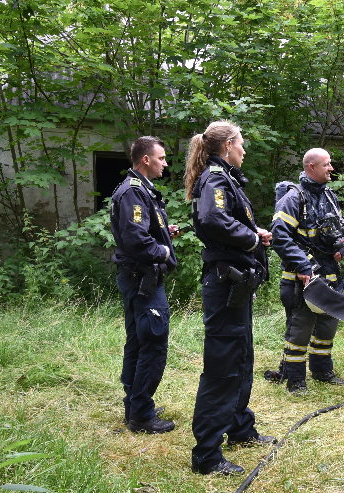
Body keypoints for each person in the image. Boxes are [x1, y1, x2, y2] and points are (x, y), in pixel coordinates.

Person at [185, 121, 276, 476]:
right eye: (241, 144)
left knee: (240, 357)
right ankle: (207, 455)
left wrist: (252, 232)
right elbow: (211, 218)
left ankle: (239, 428)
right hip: (225, 285)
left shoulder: (225, 177)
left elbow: (225, 221)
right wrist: (251, 239)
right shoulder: (216, 178)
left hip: (236, 285)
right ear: (227, 147)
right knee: (223, 366)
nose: (244, 150)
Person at [265, 148, 344, 395]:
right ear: (311, 167)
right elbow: (280, 237)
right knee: (300, 329)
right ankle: (295, 380)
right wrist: (303, 265)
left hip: (329, 275)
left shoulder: (329, 196)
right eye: (327, 164)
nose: (332, 168)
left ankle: (323, 372)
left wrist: (341, 246)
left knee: (327, 326)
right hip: (301, 278)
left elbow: (337, 230)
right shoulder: (293, 198)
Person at [110, 136, 179, 434]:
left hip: (138, 278)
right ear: (145, 160)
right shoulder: (133, 193)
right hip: (143, 280)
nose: (165, 163)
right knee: (152, 342)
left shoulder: (142, 192)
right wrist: (164, 251)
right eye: (161, 158)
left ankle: (135, 404)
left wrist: (166, 233)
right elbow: (136, 239)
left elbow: (142, 229)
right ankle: (141, 414)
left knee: (139, 341)